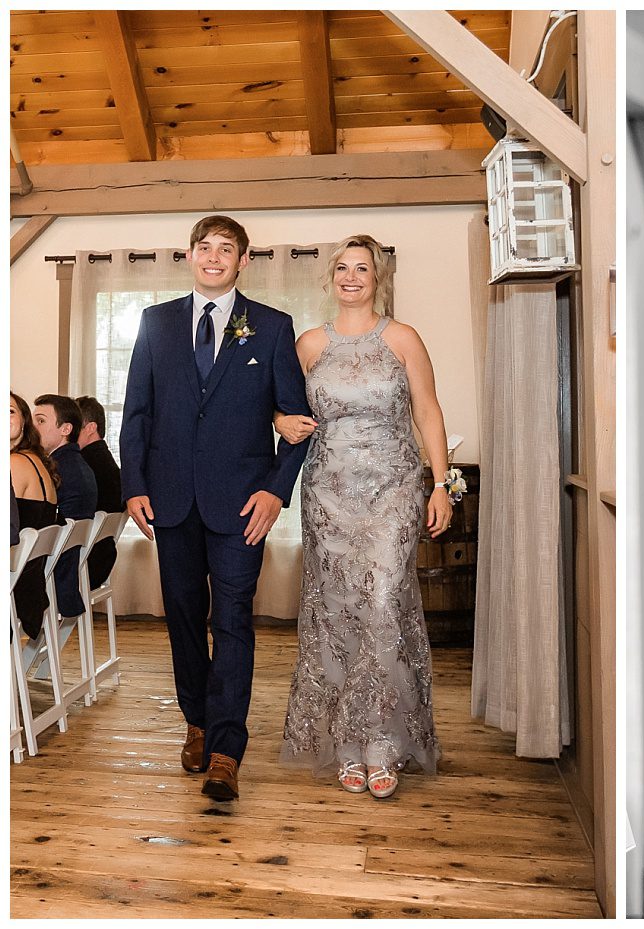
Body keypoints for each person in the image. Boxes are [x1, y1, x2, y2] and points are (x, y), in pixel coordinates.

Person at [122, 214, 312, 800]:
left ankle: (227, 749)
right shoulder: (156, 324)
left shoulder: (273, 328)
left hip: (241, 507)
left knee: (233, 624)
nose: (213, 257)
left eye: (226, 249)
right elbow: (136, 415)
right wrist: (133, 486)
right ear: (189, 255)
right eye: (204, 247)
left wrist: (277, 491)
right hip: (170, 503)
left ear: (243, 261)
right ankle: (197, 723)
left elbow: (297, 424)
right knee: (182, 620)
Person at [274, 234, 447, 800]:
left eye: (363, 268)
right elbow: (276, 402)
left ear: (379, 278)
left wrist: (439, 485)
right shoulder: (308, 344)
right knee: (337, 610)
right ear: (331, 278)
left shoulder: (402, 338)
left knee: (382, 605)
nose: (352, 276)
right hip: (328, 492)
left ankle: (381, 741)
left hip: (394, 490)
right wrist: (280, 421)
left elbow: (427, 409)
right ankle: (348, 744)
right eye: (343, 268)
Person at [32, 394, 98, 626]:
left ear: (66, 429)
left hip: (51, 575)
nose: (32, 427)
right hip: (64, 573)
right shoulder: (77, 465)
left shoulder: (57, 470)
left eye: (40, 421)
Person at [10, 392, 60, 635]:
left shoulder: (13, 464)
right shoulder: (35, 460)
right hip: (30, 585)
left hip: (17, 586)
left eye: (9, 411)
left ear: (24, 422)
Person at [74, 396, 123, 588]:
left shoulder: (85, 465)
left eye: (74, 423)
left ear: (91, 428)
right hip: (101, 556)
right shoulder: (103, 459)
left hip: (87, 562)